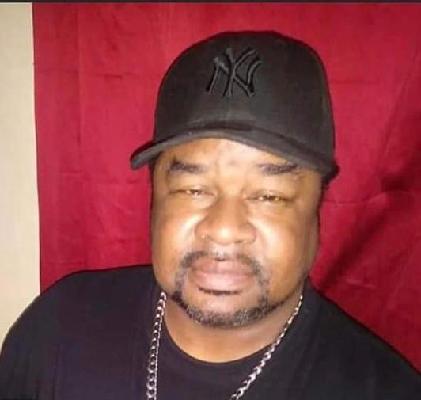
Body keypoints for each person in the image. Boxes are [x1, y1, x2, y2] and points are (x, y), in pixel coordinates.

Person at [0, 31, 420, 400]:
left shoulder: (384, 390)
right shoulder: (60, 328)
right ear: (154, 197)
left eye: (270, 196)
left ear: (317, 211)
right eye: (193, 190)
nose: (223, 229)